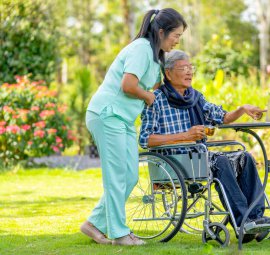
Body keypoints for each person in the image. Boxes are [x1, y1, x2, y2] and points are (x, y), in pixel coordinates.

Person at [139, 50, 270, 243]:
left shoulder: (195, 97)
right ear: (168, 73)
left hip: (199, 158)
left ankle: (255, 218)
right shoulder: (156, 100)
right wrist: (185, 136)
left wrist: (243, 109)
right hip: (175, 161)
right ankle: (245, 221)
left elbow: (222, 117)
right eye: (183, 68)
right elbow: (145, 139)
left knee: (245, 157)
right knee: (219, 161)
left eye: (190, 67)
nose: (189, 72)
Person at [80, 9, 187, 246]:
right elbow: (128, 85)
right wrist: (147, 96)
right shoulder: (141, 49)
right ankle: (119, 234)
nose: (178, 40)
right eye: (176, 35)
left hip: (124, 120)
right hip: (107, 114)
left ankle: (94, 224)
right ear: (161, 32)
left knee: (130, 176)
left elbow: (158, 87)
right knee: (117, 175)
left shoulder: (155, 55)